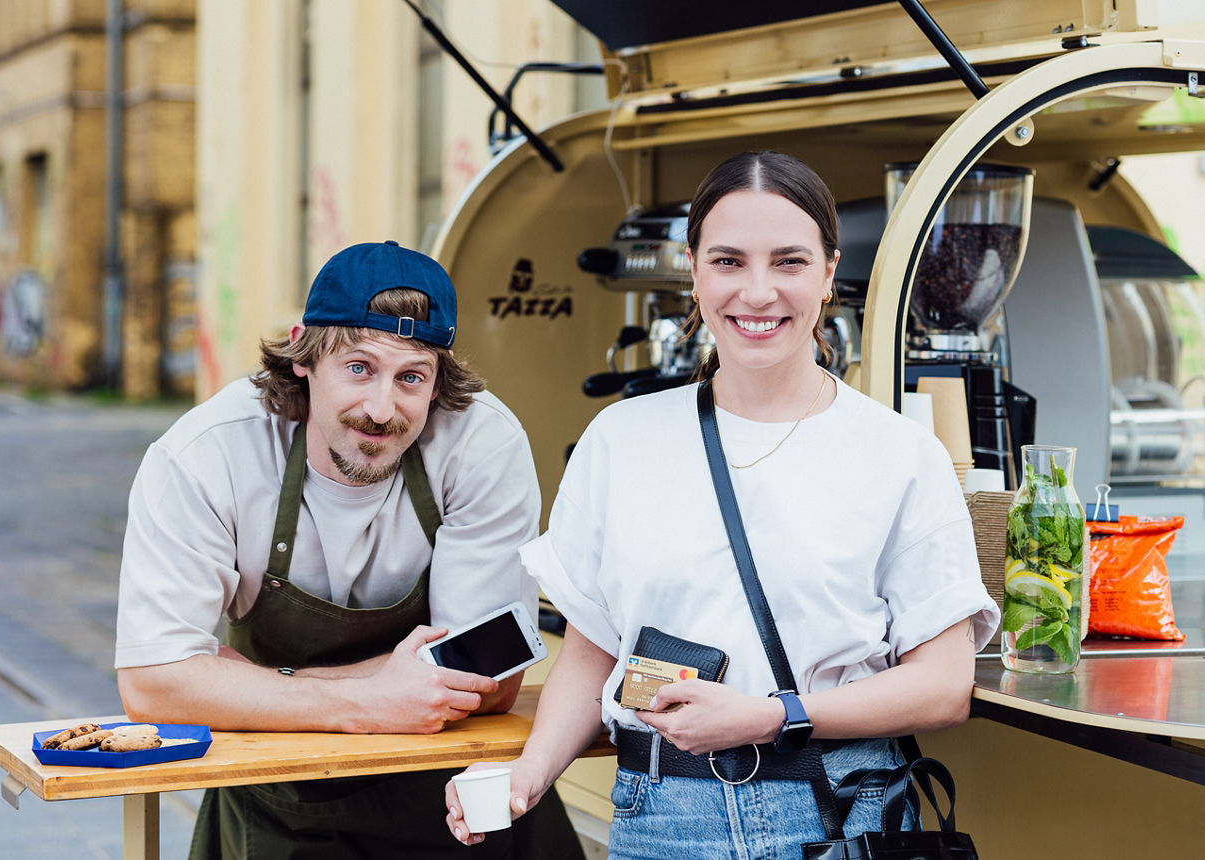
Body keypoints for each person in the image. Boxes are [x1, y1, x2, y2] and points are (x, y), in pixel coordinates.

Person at [444, 152, 1000, 857]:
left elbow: (944, 686)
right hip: (659, 818)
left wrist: (770, 716)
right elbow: (590, 658)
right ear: (694, 270)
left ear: (829, 273)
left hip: (836, 810)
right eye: (729, 261)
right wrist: (526, 775)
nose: (758, 292)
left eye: (789, 262)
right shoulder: (621, 439)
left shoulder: (898, 453)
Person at [114, 240, 583, 860]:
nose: (381, 410)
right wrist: (367, 699)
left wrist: (250, 685)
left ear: (439, 381)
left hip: (459, 794)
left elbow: (488, 677)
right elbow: (153, 684)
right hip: (281, 796)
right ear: (304, 355)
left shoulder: (482, 442)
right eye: (359, 367)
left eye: (411, 377)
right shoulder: (208, 455)